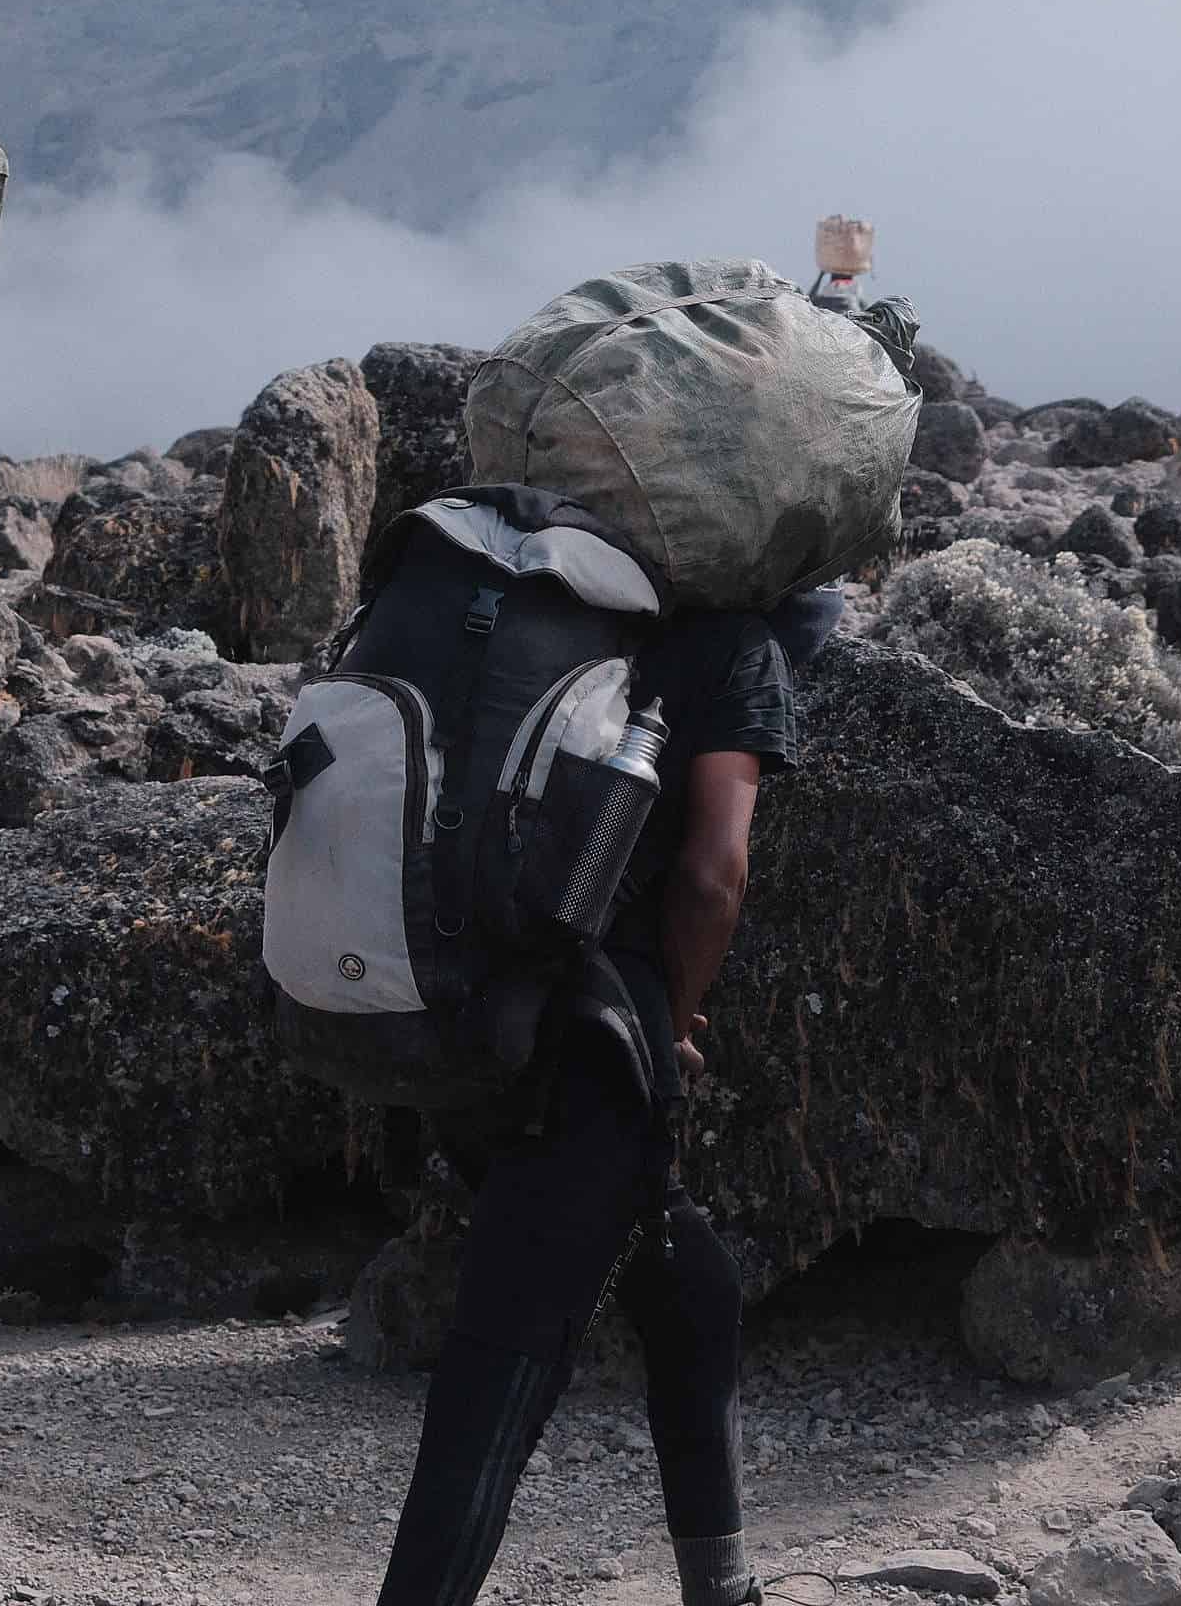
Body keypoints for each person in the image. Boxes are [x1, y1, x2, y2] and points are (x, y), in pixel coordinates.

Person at [374, 585, 843, 1606]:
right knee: (500, 1375)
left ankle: (722, 1590)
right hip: (592, 1050)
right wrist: (672, 1019)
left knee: (693, 1288)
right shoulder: (738, 645)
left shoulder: (560, 608)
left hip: (474, 1020)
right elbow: (714, 873)